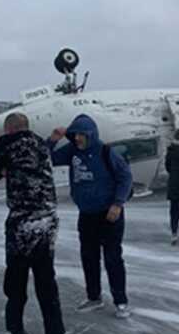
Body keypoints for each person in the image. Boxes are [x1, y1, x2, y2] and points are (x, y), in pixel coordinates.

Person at [0, 113, 66, 334]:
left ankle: (16, 327)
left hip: (22, 222)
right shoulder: (40, 144)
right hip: (47, 220)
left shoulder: (8, 143)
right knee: (46, 279)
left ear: (9, 129)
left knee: (16, 278)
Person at [48, 114, 133, 318]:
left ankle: (120, 300)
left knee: (112, 258)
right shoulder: (72, 151)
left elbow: (125, 177)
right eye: (74, 135)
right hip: (87, 214)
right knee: (89, 257)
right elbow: (47, 158)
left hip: (109, 214)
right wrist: (52, 140)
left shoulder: (107, 152)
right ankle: (94, 297)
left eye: (81, 135)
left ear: (91, 135)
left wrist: (117, 204)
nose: (77, 139)